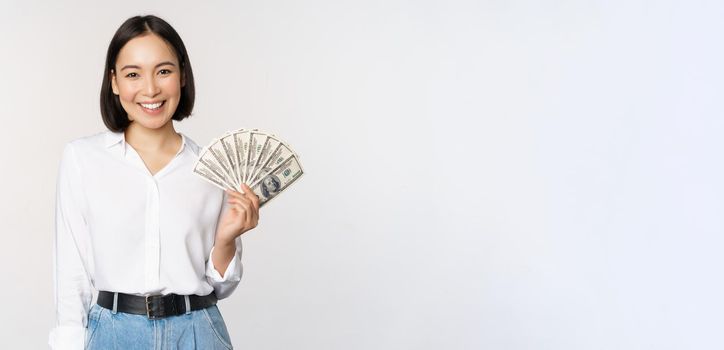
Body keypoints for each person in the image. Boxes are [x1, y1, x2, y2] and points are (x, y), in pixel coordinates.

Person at [48, 15, 260, 349]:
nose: (150, 89)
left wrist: (226, 240)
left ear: (183, 76)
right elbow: (71, 274)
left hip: (197, 332)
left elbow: (220, 286)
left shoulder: (212, 168)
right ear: (114, 81)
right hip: (113, 335)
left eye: (164, 71)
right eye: (133, 74)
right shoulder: (82, 159)